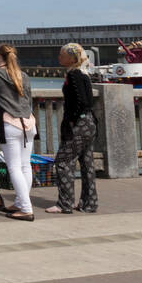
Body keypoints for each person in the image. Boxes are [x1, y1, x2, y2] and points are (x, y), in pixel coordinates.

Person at [48, 42, 99, 215]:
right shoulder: (83, 73)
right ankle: (89, 203)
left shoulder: (74, 74)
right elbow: (88, 102)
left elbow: (82, 101)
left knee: (62, 161)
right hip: (90, 122)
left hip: (79, 124)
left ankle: (65, 203)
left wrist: (71, 120)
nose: (59, 57)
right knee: (87, 163)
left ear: (72, 58)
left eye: (62, 55)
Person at [0, 44, 36, 221]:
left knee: (14, 167)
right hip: (29, 123)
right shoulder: (23, 75)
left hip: (10, 123)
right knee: (26, 165)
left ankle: (25, 207)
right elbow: (29, 100)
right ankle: (20, 202)